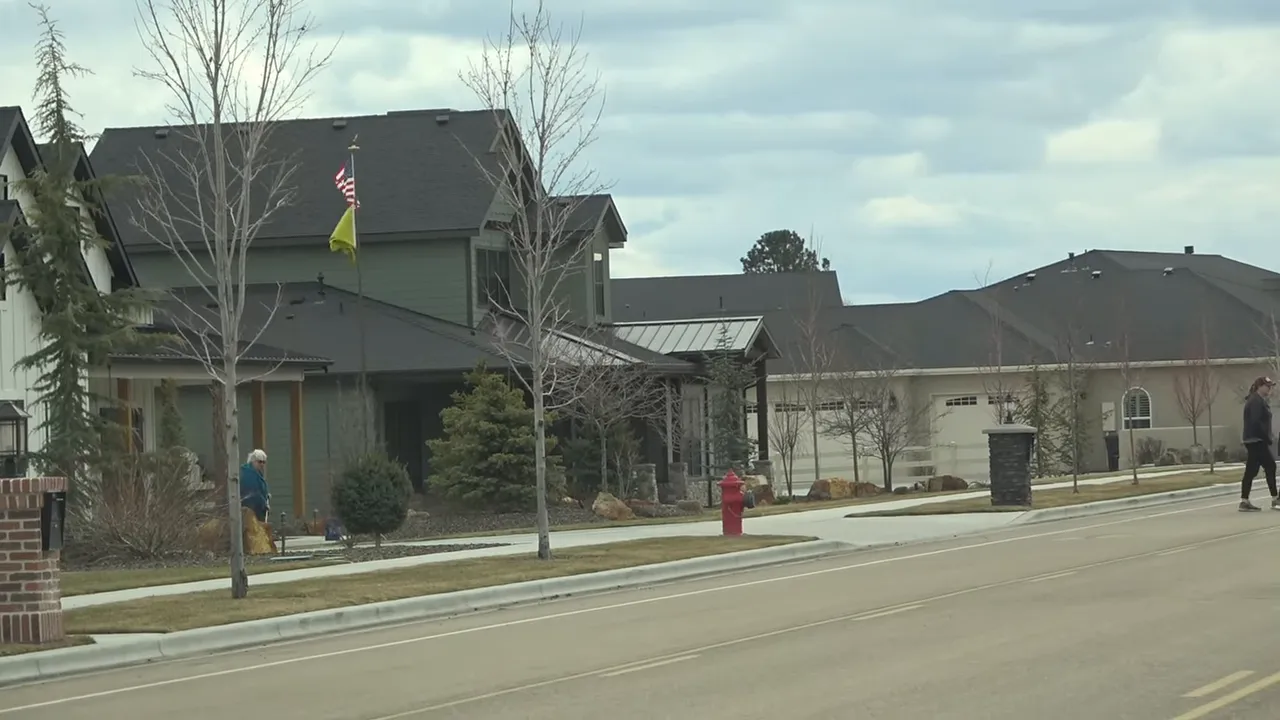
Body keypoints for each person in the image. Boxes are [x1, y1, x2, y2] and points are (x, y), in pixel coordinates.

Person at [1240, 377, 1278, 512]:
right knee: (1270, 466)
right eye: (1267, 386)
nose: (1269, 389)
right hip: (1256, 440)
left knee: (1251, 470)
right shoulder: (1256, 401)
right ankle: (1275, 499)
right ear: (1260, 386)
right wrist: (1266, 438)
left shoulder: (1257, 400)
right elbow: (1256, 422)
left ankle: (1244, 501)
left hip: (1253, 439)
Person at [240, 449, 271, 522]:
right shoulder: (248, 474)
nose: (262, 464)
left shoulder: (257, 474)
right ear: (253, 461)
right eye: (259, 462)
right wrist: (264, 504)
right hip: (251, 510)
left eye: (264, 462)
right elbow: (254, 492)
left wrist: (266, 495)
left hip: (258, 509)